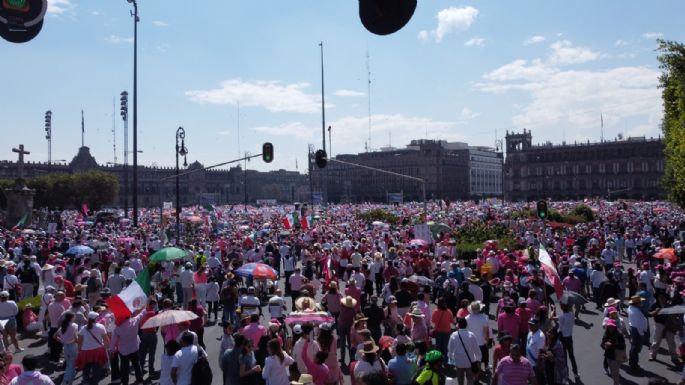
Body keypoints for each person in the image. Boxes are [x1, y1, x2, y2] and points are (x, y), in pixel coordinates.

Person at [110, 308, 145, 385]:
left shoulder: (117, 327)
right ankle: (140, 379)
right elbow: (142, 314)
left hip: (124, 350)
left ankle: (125, 382)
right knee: (136, 364)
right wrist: (145, 306)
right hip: (135, 347)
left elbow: (113, 341)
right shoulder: (135, 320)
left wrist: (111, 350)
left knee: (124, 367)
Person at [77, 312, 110, 385]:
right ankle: (95, 382)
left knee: (86, 368)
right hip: (98, 350)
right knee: (97, 368)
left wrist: (79, 350)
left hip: (85, 351)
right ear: (96, 318)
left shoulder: (83, 328)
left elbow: (79, 341)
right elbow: (106, 340)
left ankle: (85, 382)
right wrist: (106, 347)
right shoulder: (101, 326)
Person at [448, 317, 481, 385]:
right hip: (470, 362)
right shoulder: (471, 335)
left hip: (458, 362)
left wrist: (451, 358)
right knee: (470, 379)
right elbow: (476, 349)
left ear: (458, 325)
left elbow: (450, 349)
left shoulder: (453, 335)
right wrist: (478, 359)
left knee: (460, 380)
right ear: (466, 325)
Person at [465, 301, 491, 371]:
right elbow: (485, 332)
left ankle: (472, 371)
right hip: (481, 342)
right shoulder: (483, 318)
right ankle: (477, 373)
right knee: (479, 358)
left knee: (472, 358)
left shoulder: (467, 318)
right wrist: (487, 340)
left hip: (470, 341)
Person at [55, 312, 78, 385]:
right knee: (71, 365)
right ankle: (66, 381)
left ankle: (67, 379)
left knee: (69, 364)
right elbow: (76, 338)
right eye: (74, 316)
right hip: (73, 346)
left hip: (65, 346)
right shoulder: (75, 325)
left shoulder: (62, 326)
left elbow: (54, 336)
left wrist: (63, 341)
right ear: (72, 318)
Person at [601, 319, 626, 385]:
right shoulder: (606, 334)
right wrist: (604, 345)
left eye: (612, 326)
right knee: (613, 371)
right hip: (608, 356)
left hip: (616, 356)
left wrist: (612, 344)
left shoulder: (619, 334)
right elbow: (602, 344)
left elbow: (622, 346)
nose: (610, 327)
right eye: (609, 326)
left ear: (615, 326)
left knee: (615, 373)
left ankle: (616, 383)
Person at [557, 303, 579, 379]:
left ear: (562, 308)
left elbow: (553, 319)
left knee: (564, 357)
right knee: (572, 356)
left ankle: (566, 374)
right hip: (569, 337)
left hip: (563, 338)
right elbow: (573, 323)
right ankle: (576, 373)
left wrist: (553, 310)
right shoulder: (572, 314)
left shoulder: (561, 316)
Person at [627, 295, 648, 372]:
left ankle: (632, 362)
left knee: (633, 347)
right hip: (637, 331)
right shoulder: (636, 312)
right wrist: (642, 334)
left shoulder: (630, 308)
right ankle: (634, 364)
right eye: (640, 302)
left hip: (633, 328)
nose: (641, 303)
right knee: (636, 348)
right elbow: (639, 324)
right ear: (636, 303)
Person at [525, 318, 545, 384]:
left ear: (537, 325)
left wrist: (538, 364)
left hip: (536, 364)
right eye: (529, 324)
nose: (530, 326)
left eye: (532, 325)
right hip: (529, 363)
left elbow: (541, 351)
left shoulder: (540, 336)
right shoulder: (530, 333)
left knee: (537, 381)